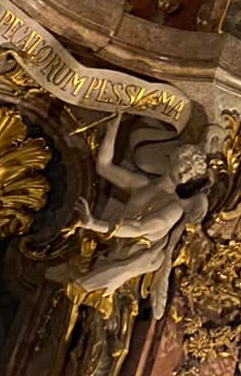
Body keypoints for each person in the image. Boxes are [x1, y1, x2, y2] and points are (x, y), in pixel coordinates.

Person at [55, 116, 208, 319]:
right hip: (108, 251)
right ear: (172, 157)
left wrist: (94, 224)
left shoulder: (173, 208)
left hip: (124, 268)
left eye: (192, 173)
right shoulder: (141, 184)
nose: (186, 172)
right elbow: (103, 166)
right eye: (185, 164)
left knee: (82, 304)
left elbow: (139, 228)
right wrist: (112, 129)